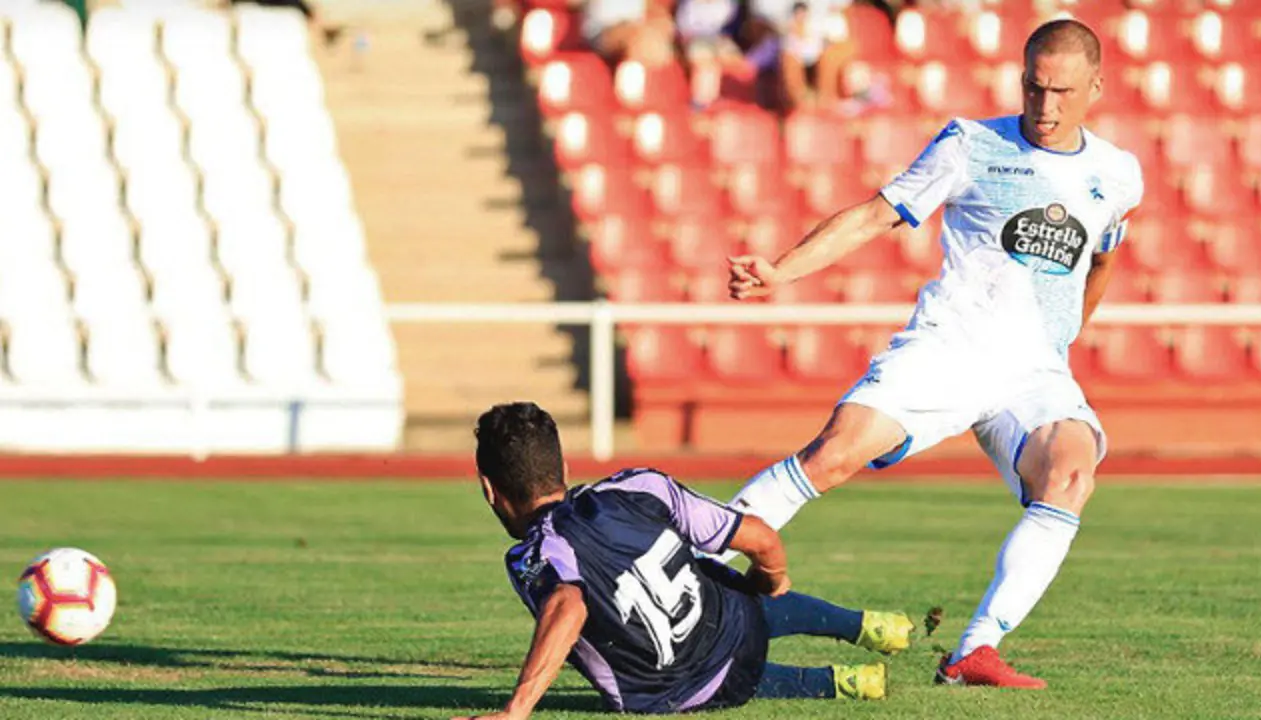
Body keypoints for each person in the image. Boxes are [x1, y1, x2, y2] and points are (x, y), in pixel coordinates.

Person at [722, 18, 1142, 689]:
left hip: (1032, 374)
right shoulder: (971, 144)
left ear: (1097, 86)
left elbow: (1106, 253)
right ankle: (685, 578)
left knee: (1070, 473)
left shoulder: (1118, 173)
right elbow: (873, 215)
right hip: (950, 347)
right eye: (1034, 88)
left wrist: (1063, 339)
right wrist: (780, 271)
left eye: (1063, 92)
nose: (1046, 106)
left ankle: (974, 650)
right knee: (830, 457)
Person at [453, 402, 916, 719]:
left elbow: (567, 605)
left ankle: (845, 683)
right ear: (564, 469)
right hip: (738, 622)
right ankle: (866, 625)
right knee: (733, 586)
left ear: (489, 489)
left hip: (686, 693)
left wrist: (517, 708)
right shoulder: (638, 486)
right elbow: (758, 536)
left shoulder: (529, 556)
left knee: (719, 677)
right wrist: (773, 578)